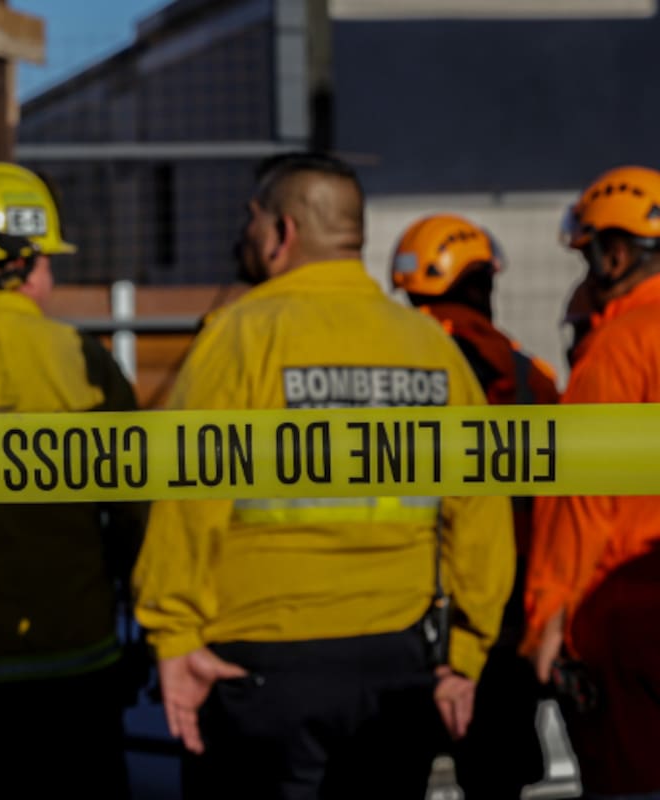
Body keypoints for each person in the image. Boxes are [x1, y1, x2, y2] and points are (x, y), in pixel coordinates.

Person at [132, 152, 515, 800]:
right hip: (399, 665)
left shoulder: (238, 339)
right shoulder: (430, 348)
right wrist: (467, 655)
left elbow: (186, 498)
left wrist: (173, 635)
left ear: (282, 233)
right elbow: (479, 510)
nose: (245, 235)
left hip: (261, 667)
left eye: (252, 221)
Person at [0, 161, 145, 799]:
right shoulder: (79, 358)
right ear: (20, 262)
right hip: (77, 659)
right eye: (47, 259)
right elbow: (132, 508)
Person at [391, 213, 558, 799]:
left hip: (403, 612)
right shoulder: (529, 378)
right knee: (495, 778)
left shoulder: (390, 369)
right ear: (482, 284)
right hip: (502, 614)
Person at [523, 164, 660, 798]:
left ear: (616, 254)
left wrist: (552, 616)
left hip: (628, 618)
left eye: (588, 257)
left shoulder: (621, 347)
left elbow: (582, 497)